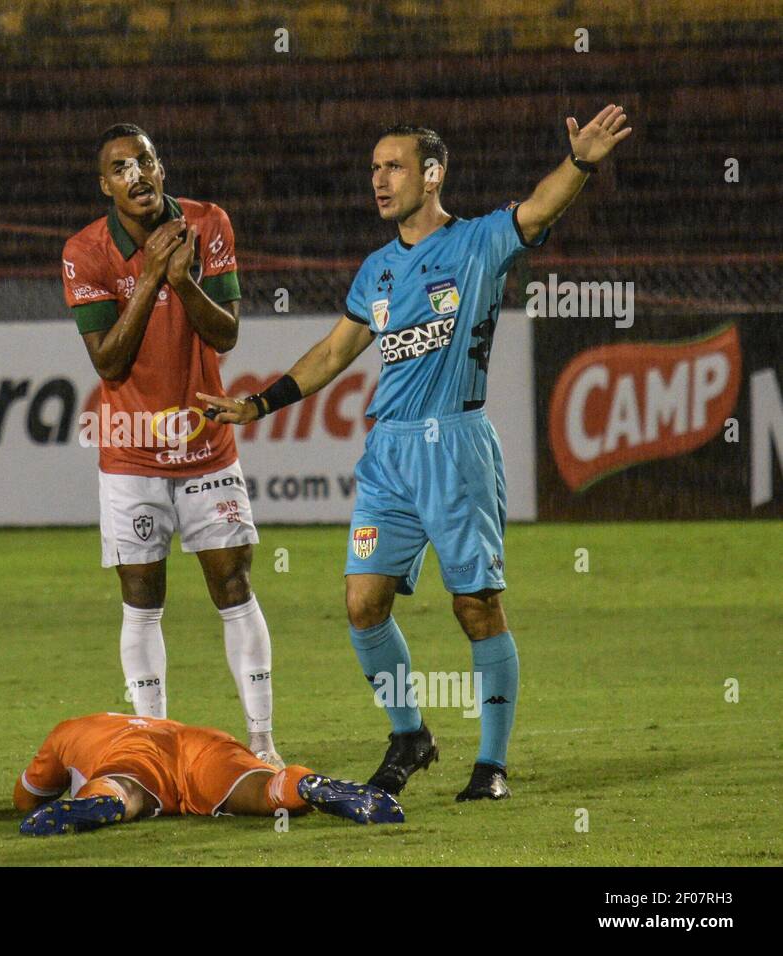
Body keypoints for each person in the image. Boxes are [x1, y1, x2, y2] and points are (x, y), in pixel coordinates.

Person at [199, 106, 632, 801]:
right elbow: (336, 352)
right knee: (362, 603)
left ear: (433, 175)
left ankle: (490, 765)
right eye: (373, 167)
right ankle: (411, 734)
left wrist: (580, 163)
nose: (379, 179)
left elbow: (541, 205)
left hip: (455, 446)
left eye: (393, 165)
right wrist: (259, 403)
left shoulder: (480, 242)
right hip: (389, 455)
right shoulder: (376, 270)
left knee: (476, 607)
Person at [61, 123, 282, 766]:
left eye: (146, 160)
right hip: (130, 453)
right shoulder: (86, 250)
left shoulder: (209, 224)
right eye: (121, 167)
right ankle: (154, 748)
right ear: (106, 185)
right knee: (142, 599)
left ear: (161, 167)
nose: (137, 173)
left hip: (206, 445)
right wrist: (154, 273)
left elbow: (228, 335)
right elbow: (108, 361)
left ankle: (263, 743)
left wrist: (182, 282)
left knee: (234, 586)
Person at [14, 712, 403, 835]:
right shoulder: (151, 720)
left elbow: (27, 798)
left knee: (123, 785)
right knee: (266, 788)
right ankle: (305, 783)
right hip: (200, 743)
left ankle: (102, 804)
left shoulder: (70, 729)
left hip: (131, 755)